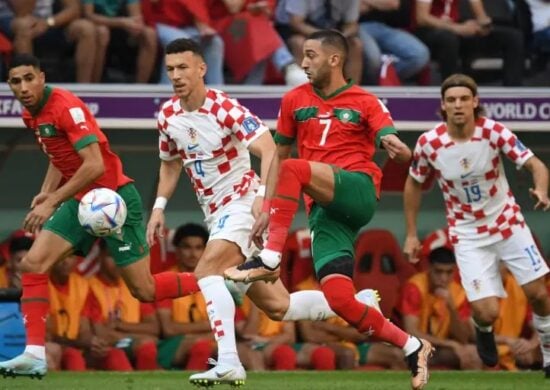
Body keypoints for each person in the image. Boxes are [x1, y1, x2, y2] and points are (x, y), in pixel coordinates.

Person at [146, 37, 379, 387]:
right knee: (278, 307)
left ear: (201, 68)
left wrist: (261, 197)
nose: (176, 75)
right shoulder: (167, 116)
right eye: (170, 70)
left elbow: (270, 150)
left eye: (183, 68)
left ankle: (228, 362)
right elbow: (169, 165)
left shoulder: (225, 108)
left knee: (207, 269)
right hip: (216, 214)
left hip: (241, 205)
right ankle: (352, 302)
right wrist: (158, 208)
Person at [225, 29, 434, 390]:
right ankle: (413, 345)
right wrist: (265, 201)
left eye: (310, 55)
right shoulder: (293, 100)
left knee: (296, 171)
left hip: (358, 190)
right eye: (302, 56)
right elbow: (280, 155)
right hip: (324, 208)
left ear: (334, 59)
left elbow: (386, 135)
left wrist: (396, 146)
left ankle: (270, 258)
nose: (303, 63)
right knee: (339, 299)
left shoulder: (365, 101)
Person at [0, 53, 203, 379]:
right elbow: (58, 152)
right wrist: (45, 190)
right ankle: (34, 354)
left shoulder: (65, 106)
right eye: (15, 81)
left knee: (144, 290)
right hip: (81, 199)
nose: (23, 87)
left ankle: (217, 281)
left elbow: (93, 164)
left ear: (41, 76)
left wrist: (51, 201)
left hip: (115, 199)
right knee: (32, 265)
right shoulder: (30, 114)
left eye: (28, 78)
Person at [403, 73, 550, 377]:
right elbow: (414, 183)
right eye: (451, 100)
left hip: (508, 224)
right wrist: (411, 234)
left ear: (475, 102)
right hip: (467, 235)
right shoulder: (429, 143)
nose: (458, 105)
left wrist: (542, 188)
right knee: (487, 311)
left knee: (538, 293)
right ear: (443, 106)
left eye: (464, 99)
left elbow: (535, 164)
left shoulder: (494, 133)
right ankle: (483, 328)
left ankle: (548, 354)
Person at [399, 247, 482, 370]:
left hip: (438, 349)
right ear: (429, 268)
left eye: (449, 272)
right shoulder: (415, 287)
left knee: (473, 354)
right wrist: (450, 344)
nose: (444, 278)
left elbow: (463, 338)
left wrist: (451, 307)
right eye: (438, 272)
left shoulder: (457, 291)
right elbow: (411, 333)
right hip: (414, 348)